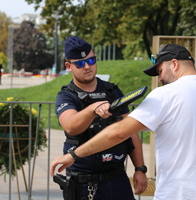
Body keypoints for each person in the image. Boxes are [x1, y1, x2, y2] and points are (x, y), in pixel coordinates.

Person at [50, 43, 196, 200]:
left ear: (174, 64)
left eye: (160, 72)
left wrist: (74, 154)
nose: (159, 79)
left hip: (176, 194)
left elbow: (119, 132)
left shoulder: (165, 95)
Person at [53, 36, 147, 199]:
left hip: (118, 179)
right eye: (80, 63)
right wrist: (92, 109)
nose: (87, 66)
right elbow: (71, 126)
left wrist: (140, 169)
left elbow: (130, 131)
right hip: (84, 183)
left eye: (91, 60)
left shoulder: (112, 91)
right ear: (69, 66)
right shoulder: (66, 96)